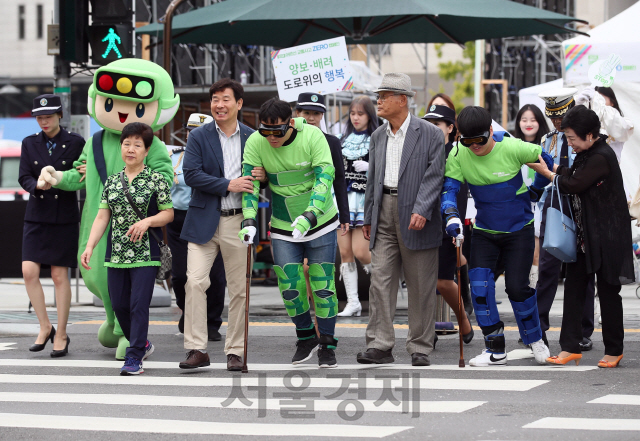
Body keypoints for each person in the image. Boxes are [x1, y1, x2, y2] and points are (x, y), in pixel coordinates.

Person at [38, 59, 178, 360]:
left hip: (136, 230)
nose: (124, 112)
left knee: (135, 293)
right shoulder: (96, 141)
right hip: (99, 224)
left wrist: (147, 191)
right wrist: (58, 177)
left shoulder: (151, 144)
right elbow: (79, 175)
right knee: (99, 279)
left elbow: (165, 180)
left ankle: (133, 340)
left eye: (138, 107)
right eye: (113, 102)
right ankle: (115, 322)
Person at [442, 106, 552, 367]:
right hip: (484, 232)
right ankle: (495, 348)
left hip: (519, 231)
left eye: (479, 140)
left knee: (517, 287)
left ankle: (536, 340)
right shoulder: (458, 153)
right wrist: (451, 216)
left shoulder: (512, 147)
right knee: (479, 287)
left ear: (491, 131)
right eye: (467, 141)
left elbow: (545, 159)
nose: (474, 147)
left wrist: (535, 191)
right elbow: (449, 189)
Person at [527, 105, 634, 368]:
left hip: (607, 235)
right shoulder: (587, 153)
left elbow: (574, 184)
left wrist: (548, 174)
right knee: (574, 290)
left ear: (589, 135)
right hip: (585, 236)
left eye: (572, 138)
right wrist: (552, 168)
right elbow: (572, 175)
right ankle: (570, 347)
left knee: (608, 291)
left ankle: (614, 349)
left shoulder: (601, 155)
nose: (569, 143)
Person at [239, 98, 340, 368]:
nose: (271, 137)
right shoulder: (255, 142)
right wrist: (249, 220)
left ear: (291, 123)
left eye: (278, 131)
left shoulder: (313, 136)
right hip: (283, 224)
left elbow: (324, 177)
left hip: (320, 221)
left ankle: (328, 344)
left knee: (323, 286)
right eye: (265, 131)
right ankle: (306, 336)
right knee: (290, 287)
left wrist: (310, 215)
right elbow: (249, 183)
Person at [357, 73, 445, 367]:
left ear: (402, 100)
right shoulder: (377, 136)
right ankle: (380, 345)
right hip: (383, 210)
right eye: (378, 95)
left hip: (417, 213)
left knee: (421, 284)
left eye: (384, 96)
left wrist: (422, 208)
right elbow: (372, 178)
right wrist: (369, 213)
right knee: (379, 281)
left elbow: (435, 174)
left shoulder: (429, 132)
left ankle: (420, 346)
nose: (378, 101)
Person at [179, 78, 261, 372]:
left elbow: (265, 176)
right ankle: (197, 348)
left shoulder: (254, 138)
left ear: (239, 103)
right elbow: (191, 174)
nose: (219, 105)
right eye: (215, 99)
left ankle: (235, 351)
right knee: (195, 282)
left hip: (239, 221)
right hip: (203, 220)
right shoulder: (200, 136)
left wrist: (262, 175)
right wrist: (229, 184)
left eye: (225, 99)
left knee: (239, 290)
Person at [81, 122, 174, 375]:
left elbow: (168, 214)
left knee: (138, 305)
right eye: (126, 144)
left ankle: (134, 357)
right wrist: (90, 246)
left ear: (146, 150)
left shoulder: (156, 180)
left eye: (137, 145)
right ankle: (142, 342)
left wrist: (148, 221)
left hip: (146, 253)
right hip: (116, 254)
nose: (130, 149)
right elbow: (102, 217)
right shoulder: (112, 182)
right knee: (120, 304)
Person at [18, 94, 84, 357]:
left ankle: (62, 333)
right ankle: (45, 326)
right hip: (36, 214)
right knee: (28, 271)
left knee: (59, 276)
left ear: (60, 115)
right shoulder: (29, 143)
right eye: (39, 117)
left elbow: (81, 174)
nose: (43, 121)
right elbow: (23, 175)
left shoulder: (76, 142)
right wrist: (36, 185)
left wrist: (58, 180)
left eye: (48, 116)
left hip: (63, 216)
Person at [533, 88, 595, 351]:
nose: (557, 123)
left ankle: (583, 329)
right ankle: (538, 329)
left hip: (581, 206)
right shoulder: (546, 140)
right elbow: (539, 176)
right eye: (553, 118)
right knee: (547, 267)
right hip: (554, 203)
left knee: (583, 269)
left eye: (561, 116)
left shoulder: (584, 138)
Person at [166, 113, 226, 340]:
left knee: (215, 275)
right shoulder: (174, 157)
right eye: (190, 130)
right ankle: (189, 313)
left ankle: (211, 321)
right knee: (181, 275)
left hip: (210, 217)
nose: (194, 135)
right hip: (180, 220)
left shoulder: (220, 157)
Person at [294, 92, 350, 318]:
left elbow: (339, 179)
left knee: (317, 269)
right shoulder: (288, 140)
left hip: (323, 213)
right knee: (300, 270)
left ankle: (322, 316)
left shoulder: (332, 142)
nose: (311, 117)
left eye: (316, 113)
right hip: (293, 211)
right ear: (297, 114)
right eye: (306, 112)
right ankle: (309, 312)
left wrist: (344, 216)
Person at [423, 104, 473, 344]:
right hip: (419, 223)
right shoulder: (419, 151)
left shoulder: (457, 154)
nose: (431, 129)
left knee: (443, 281)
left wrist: (455, 225)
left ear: (451, 128)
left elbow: (458, 196)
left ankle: (462, 317)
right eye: (428, 124)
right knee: (420, 282)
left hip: (445, 225)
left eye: (437, 124)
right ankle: (424, 333)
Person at [336, 95, 379, 316]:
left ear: (369, 115)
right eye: (352, 113)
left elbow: (388, 169)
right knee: (345, 252)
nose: (355, 117)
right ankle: (353, 303)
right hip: (343, 200)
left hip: (364, 200)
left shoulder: (378, 139)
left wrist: (370, 166)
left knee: (361, 252)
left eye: (360, 113)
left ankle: (385, 283)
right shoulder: (342, 140)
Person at [513, 104, 549, 290]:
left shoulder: (547, 147)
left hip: (539, 205)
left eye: (533, 119)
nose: (528, 123)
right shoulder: (510, 146)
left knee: (536, 252)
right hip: (516, 205)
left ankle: (533, 290)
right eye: (524, 119)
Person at [575, 86, 634, 163]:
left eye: (602, 99)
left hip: (609, 170)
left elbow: (621, 128)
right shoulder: (586, 122)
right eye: (593, 100)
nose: (597, 102)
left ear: (612, 102)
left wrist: (599, 104)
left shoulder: (622, 122)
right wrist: (577, 107)